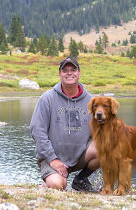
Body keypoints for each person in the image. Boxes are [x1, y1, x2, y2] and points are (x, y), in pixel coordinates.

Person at [30, 57, 99, 192]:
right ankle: (53, 180)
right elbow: (37, 131)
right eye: (65, 70)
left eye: (73, 70)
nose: (69, 73)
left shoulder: (91, 100)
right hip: (52, 158)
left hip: (80, 156)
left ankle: (80, 180)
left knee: (107, 147)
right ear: (60, 74)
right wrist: (52, 159)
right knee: (57, 185)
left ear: (79, 73)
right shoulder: (47, 98)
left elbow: (100, 131)